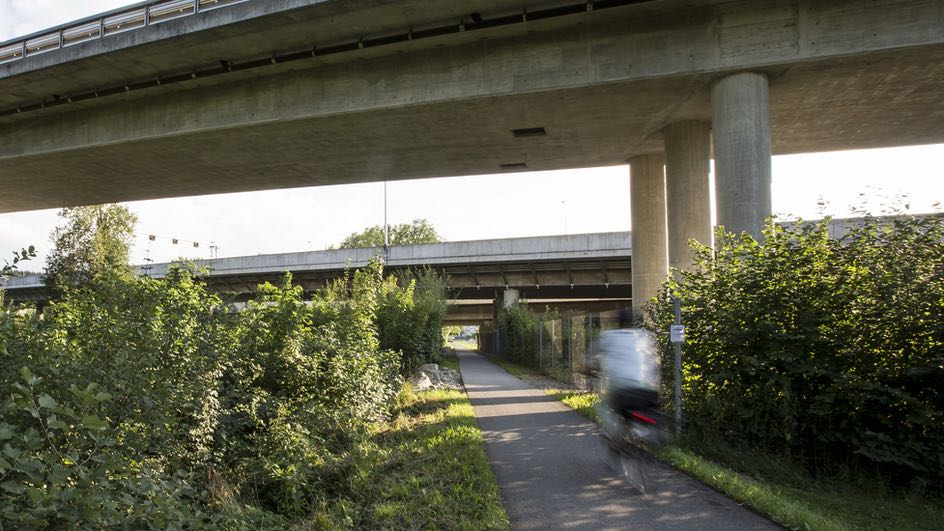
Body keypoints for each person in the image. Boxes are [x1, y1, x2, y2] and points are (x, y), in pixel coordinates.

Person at [595, 309, 662, 443]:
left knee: (602, 406)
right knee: (650, 414)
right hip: (648, 388)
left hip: (621, 387)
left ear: (617, 322)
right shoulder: (645, 336)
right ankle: (645, 433)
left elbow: (593, 357)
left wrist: (589, 368)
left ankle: (612, 433)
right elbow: (654, 360)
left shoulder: (609, 336)